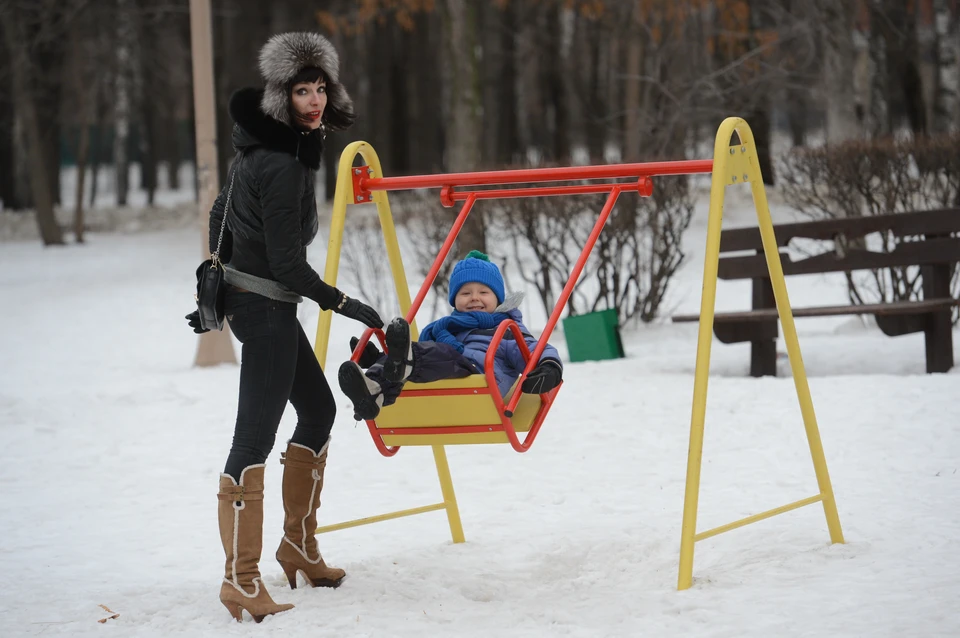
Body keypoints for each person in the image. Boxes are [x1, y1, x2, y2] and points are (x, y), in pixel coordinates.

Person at [185, 32, 382, 623]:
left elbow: (219, 213)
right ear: (281, 97)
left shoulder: (261, 149)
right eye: (302, 91)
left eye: (320, 88)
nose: (315, 100)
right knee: (252, 442)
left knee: (318, 411)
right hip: (266, 310)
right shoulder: (282, 163)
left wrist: (231, 267)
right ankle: (240, 580)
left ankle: (298, 546)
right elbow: (290, 264)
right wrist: (346, 304)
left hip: (262, 304)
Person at [338, 251, 563, 420]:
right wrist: (379, 358)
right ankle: (373, 391)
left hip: (480, 382)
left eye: (484, 292)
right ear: (454, 300)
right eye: (465, 293)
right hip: (442, 385)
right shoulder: (446, 328)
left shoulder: (506, 329)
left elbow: (533, 349)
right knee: (418, 354)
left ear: (498, 299)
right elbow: (427, 352)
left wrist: (549, 368)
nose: (474, 298)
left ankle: (403, 363)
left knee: (439, 354)